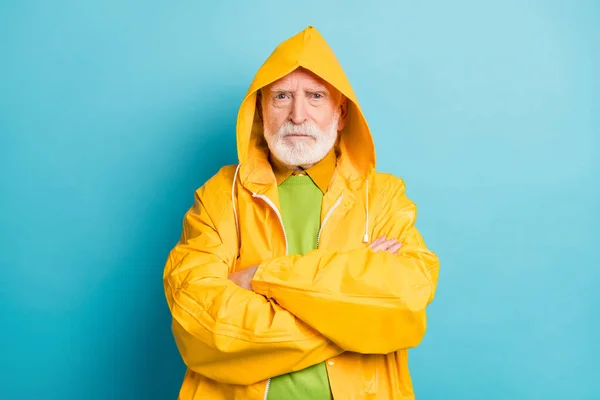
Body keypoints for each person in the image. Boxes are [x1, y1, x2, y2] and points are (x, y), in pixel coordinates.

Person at [163, 25, 440, 400]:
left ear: (340, 114)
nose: (298, 114)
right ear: (261, 110)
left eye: (315, 96)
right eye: (281, 96)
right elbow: (199, 320)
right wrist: (351, 321)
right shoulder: (219, 196)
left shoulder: (384, 196)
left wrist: (260, 276)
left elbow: (406, 296)